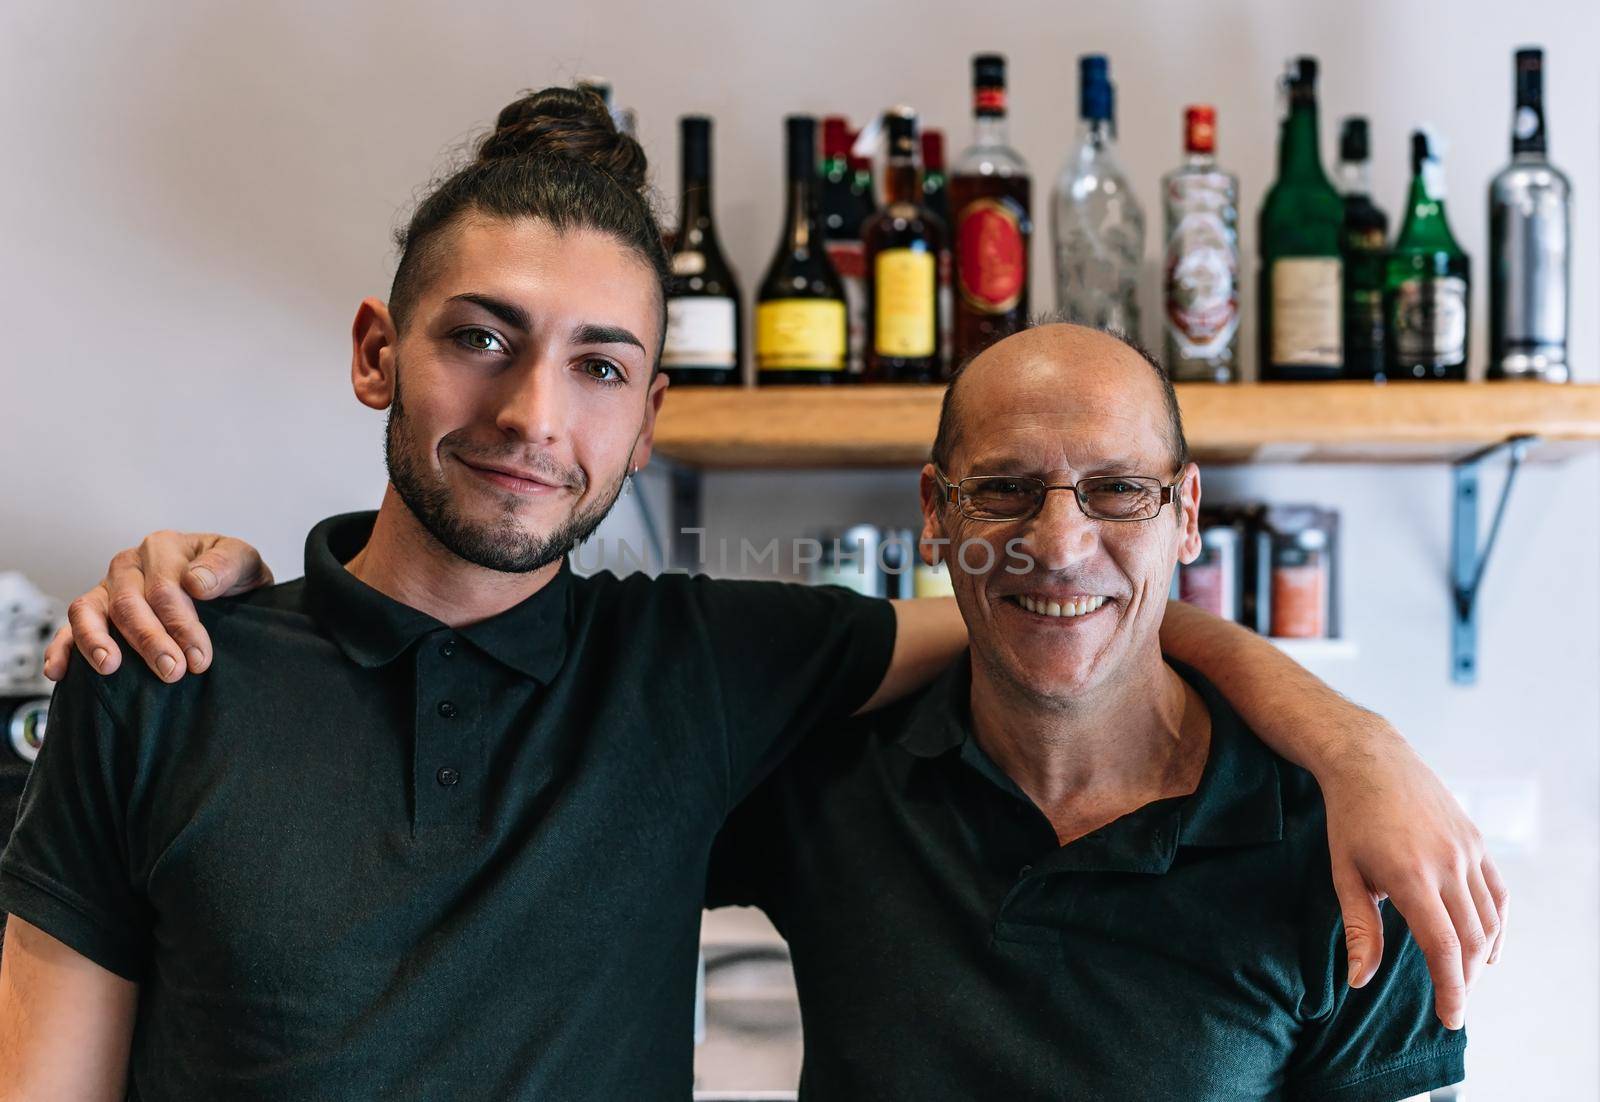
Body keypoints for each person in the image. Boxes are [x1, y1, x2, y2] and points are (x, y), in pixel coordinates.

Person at [1, 89, 1500, 1099]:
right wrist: (200, 575)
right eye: (481, 337)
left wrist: (1352, 741)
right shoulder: (159, 676)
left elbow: (1061, 610)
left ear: (646, 417)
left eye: (598, 365)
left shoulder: (695, 671)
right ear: (377, 352)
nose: (535, 413)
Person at [708, 324, 1469, 1099]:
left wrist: (1358, 747)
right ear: (937, 513)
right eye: (1005, 489)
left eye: (1119, 490)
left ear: (1188, 514)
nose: (1060, 546)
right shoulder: (820, 777)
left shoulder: (1348, 855)